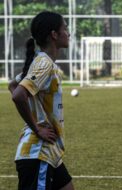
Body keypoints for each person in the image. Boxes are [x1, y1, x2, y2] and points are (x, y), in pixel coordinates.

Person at [8, 11, 74, 190]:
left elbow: (13, 85)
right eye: (65, 28)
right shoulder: (44, 63)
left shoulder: (42, 63)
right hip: (37, 153)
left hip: (50, 151)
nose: (69, 33)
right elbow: (18, 94)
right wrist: (37, 128)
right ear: (54, 35)